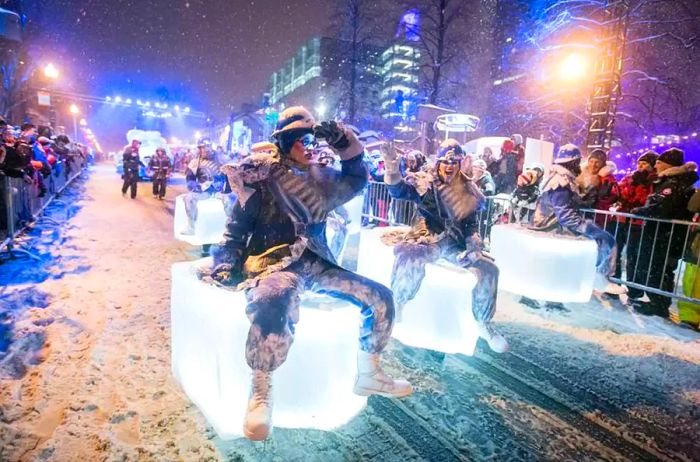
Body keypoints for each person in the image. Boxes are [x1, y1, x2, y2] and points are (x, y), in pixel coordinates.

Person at [205, 107, 412, 440]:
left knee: (380, 297)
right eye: (303, 139)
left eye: (315, 140)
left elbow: (357, 179)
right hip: (274, 263)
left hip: (316, 262)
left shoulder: (322, 179)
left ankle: (369, 372)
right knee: (273, 301)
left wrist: (344, 143)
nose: (311, 146)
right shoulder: (261, 178)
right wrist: (225, 261)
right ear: (286, 142)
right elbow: (235, 229)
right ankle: (261, 390)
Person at [381, 138, 509, 353]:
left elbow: (470, 224)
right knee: (410, 256)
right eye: (445, 162)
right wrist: (392, 168)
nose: (449, 166)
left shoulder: (469, 191)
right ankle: (396, 307)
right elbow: (398, 191)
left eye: (454, 162)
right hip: (427, 238)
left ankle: (483, 323)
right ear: (438, 163)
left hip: (455, 245)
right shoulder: (425, 183)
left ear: (460, 164)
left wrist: (473, 240)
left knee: (489, 269)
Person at [531, 144, 626, 295]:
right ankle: (598, 276)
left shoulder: (564, 178)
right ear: (572, 162)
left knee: (560, 264)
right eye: (577, 162)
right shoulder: (561, 182)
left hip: (554, 226)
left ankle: (557, 295)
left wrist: (587, 196)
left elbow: (569, 204)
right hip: (550, 228)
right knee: (603, 239)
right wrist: (586, 227)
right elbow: (564, 213)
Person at [631, 148, 698, 318]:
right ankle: (655, 300)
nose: (656, 166)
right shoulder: (669, 181)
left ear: (668, 165)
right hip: (662, 234)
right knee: (657, 267)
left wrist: (641, 211)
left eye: (659, 163)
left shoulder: (674, 183)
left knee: (661, 268)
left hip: (666, 235)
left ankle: (659, 305)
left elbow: (665, 208)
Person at [612, 151, 657, 300]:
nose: (641, 166)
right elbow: (622, 195)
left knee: (633, 256)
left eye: (645, 164)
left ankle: (634, 289)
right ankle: (614, 283)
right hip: (622, 220)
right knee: (615, 252)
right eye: (639, 163)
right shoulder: (630, 178)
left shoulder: (654, 181)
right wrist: (632, 184)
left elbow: (646, 201)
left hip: (638, 224)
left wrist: (643, 184)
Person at [182, 140, 227, 234]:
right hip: (204, 191)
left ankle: (230, 228)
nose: (205, 150)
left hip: (221, 191)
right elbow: (190, 179)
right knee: (188, 198)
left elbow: (231, 175)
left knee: (231, 200)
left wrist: (226, 188)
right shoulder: (195, 162)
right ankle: (191, 227)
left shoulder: (222, 159)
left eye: (206, 147)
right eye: (202, 148)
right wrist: (195, 186)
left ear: (211, 147)